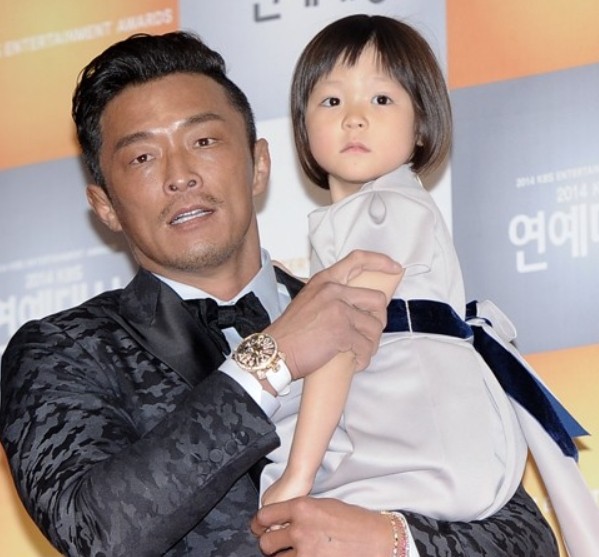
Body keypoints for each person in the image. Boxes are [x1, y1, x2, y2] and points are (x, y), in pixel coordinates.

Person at [0, 31, 559, 557]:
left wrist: (388, 539)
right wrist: (271, 360)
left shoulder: (377, 308)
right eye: (143, 157)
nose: (180, 175)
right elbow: (95, 529)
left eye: (203, 140)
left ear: (259, 165)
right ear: (104, 206)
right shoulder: (63, 349)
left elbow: (526, 535)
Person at [260, 14, 598, 556]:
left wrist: (298, 474)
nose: (354, 118)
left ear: (421, 124)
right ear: (303, 125)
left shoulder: (380, 208)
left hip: (414, 426)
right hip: (423, 418)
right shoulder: (384, 207)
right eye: (331, 101)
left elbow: (339, 341)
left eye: (381, 99)